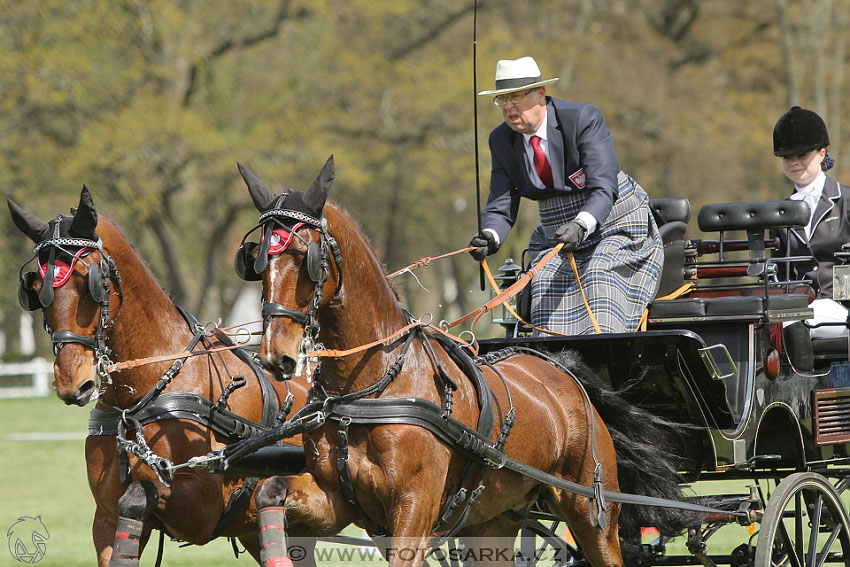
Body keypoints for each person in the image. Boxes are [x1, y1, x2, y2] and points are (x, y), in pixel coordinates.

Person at [469, 56, 663, 335]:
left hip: (613, 224)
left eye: (515, 97)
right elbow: (501, 203)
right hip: (557, 234)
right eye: (502, 99)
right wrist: (490, 236)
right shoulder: (500, 140)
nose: (508, 106)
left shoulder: (583, 119)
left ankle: (605, 359)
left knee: (599, 273)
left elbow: (603, 188)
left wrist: (581, 224)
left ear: (540, 94)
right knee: (542, 280)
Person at [772, 106, 850, 339]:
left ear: (822, 153)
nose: (794, 163)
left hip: (842, 306)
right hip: (799, 307)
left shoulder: (846, 201)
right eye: (788, 157)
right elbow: (779, 272)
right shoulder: (780, 214)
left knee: (797, 321)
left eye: (802, 155)